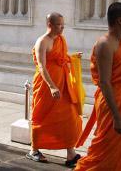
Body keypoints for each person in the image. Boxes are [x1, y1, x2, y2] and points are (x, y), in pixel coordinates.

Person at [75, 2, 121, 171]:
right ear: (120, 21)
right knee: (104, 152)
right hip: (113, 105)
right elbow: (105, 81)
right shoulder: (105, 44)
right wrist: (117, 117)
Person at [26, 12, 83, 167]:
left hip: (63, 85)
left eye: (63, 24)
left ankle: (71, 154)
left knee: (70, 117)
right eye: (59, 24)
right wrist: (52, 86)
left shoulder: (61, 39)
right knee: (41, 115)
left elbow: (60, 58)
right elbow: (42, 66)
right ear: (50, 24)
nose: (62, 28)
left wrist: (72, 58)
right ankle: (34, 149)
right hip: (46, 85)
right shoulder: (42, 42)